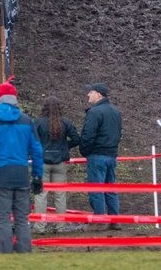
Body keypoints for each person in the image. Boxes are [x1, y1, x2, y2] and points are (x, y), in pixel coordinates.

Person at [0, 81, 43, 253]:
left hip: (0, 176)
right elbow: (37, 150)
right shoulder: (27, 121)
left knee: (2, 219)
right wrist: (37, 176)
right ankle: (25, 255)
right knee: (21, 219)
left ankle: (5, 255)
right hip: (21, 175)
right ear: (15, 98)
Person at [33, 95, 80, 233]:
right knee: (60, 195)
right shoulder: (65, 122)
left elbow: (32, 141)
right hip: (60, 163)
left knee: (41, 195)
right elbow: (77, 139)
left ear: (44, 107)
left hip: (42, 163)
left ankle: (40, 227)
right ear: (60, 108)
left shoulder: (38, 122)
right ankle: (61, 226)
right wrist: (64, 147)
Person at [80, 83, 122, 223]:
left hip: (97, 155)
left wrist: (84, 150)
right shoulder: (116, 112)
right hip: (112, 155)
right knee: (110, 188)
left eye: (90, 92)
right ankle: (114, 219)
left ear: (98, 94)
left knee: (96, 189)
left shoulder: (94, 112)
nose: (88, 95)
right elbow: (118, 134)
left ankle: (99, 219)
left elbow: (88, 134)